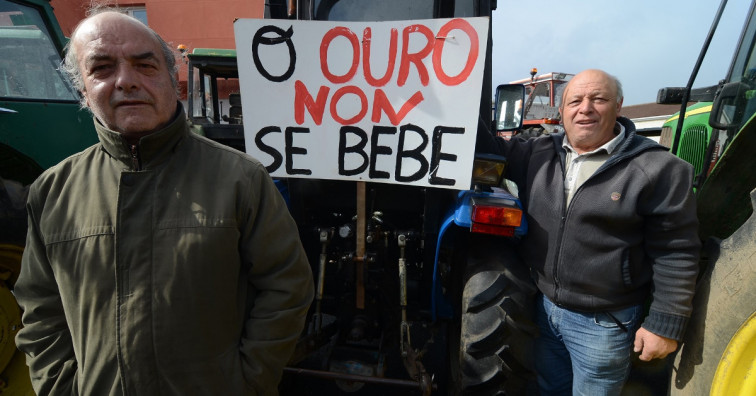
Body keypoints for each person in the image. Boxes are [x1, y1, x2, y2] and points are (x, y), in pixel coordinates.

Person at [14, 10, 314, 396]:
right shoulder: (52, 192)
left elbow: (287, 290)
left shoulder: (242, 179)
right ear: (83, 90)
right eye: (102, 68)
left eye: (145, 65)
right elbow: (41, 313)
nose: (126, 81)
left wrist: (247, 382)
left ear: (172, 80)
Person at [478, 69, 700, 395]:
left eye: (599, 99)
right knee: (550, 387)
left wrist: (664, 324)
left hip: (604, 323)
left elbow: (676, 250)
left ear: (618, 106)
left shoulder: (658, 170)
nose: (585, 109)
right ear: (562, 111)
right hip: (546, 311)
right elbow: (488, 147)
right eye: (575, 101)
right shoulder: (537, 153)